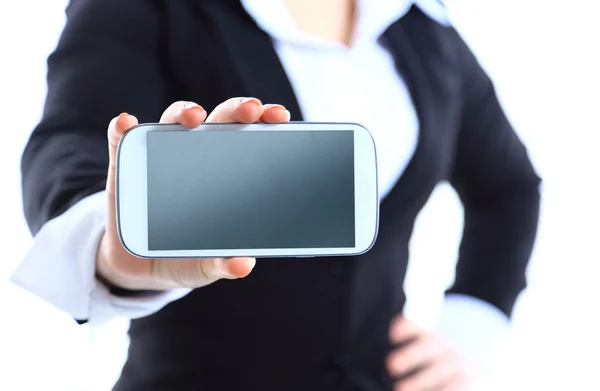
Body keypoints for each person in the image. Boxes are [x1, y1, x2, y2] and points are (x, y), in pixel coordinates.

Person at [11, 0, 541, 390]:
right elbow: (70, 143)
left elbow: (508, 186)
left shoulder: (421, 25)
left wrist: (474, 331)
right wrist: (110, 248)